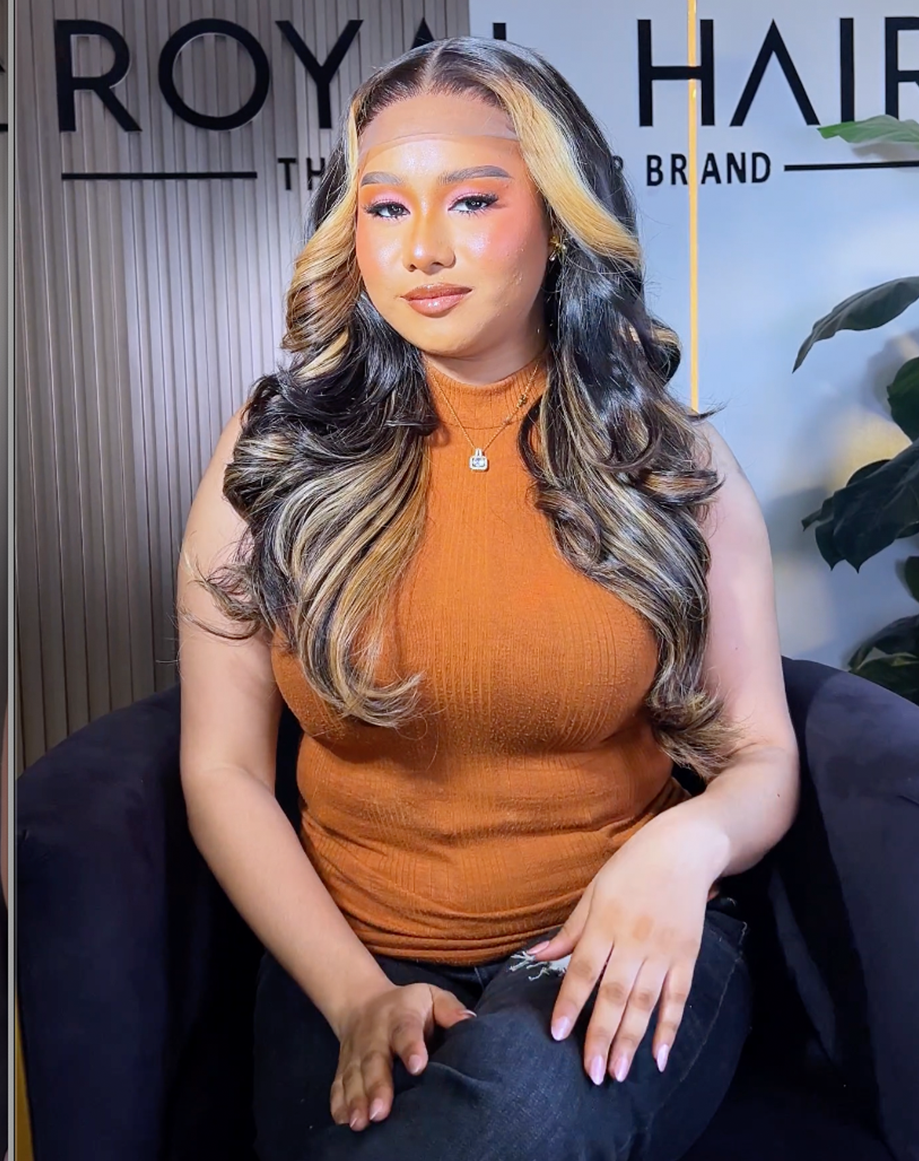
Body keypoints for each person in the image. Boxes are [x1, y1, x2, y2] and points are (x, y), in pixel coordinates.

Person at [176, 36, 800, 1161]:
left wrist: (684, 846)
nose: (421, 248)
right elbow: (221, 769)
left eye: (471, 200)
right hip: (348, 959)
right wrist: (355, 996)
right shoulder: (273, 453)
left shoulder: (665, 463)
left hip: (601, 941)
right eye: (385, 208)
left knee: (516, 1115)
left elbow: (760, 755)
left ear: (558, 219)